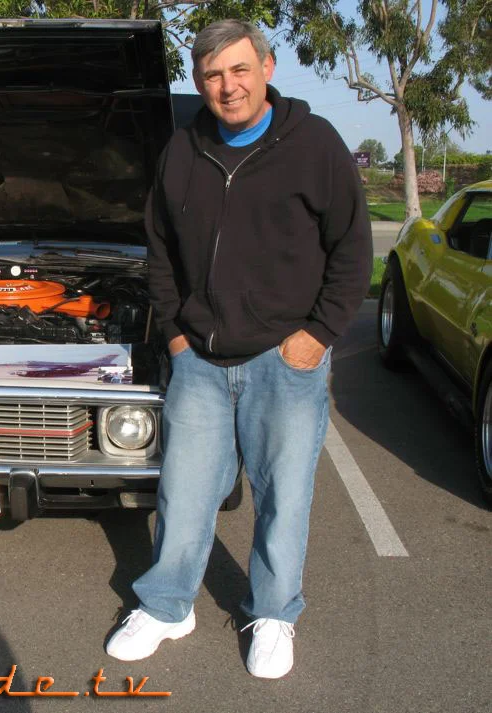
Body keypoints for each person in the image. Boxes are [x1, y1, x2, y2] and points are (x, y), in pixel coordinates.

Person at [105, 19, 372, 679]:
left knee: (285, 497)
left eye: (239, 69)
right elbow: (160, 251)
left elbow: (352, 250)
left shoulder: (315, 144)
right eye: (213, 75)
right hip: (199, 360)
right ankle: (167, 605)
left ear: (267, 68)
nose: (228, 86)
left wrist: (316, 336)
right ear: (199, 83)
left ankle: (273, 613)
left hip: (286, 360)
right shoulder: (182, 150)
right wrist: (175, 335)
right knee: (184, 492)